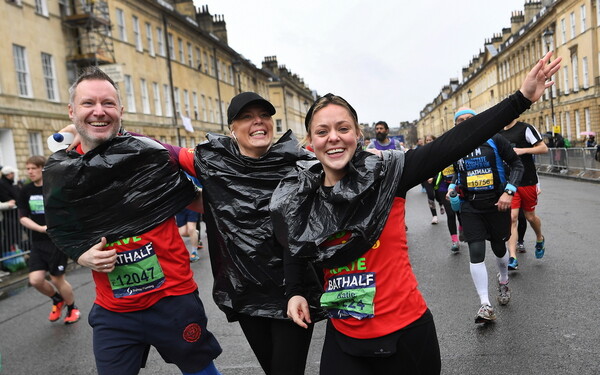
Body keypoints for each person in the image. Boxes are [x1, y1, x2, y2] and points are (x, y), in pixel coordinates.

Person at [272, 51, 560, 373]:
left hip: (408, 335)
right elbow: (294, 242)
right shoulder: (302, 196)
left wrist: (520, 100)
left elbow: (457, 141)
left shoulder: (390, 175)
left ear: (358, 136)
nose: (334, 137)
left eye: (343, 128)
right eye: (322, 131)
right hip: (344, 339)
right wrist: (296, 291)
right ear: (310, 142)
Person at [43, 67, 222, 375]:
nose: (99, 111)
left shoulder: (148, 153)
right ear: (72, 111)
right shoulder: (65, 172)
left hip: (172, 299)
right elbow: (61, 227)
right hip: (114, 311)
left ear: (120, 110)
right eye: (88, 103)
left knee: (202, 372)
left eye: (108, 103)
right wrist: (81, 254)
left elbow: (200, 201)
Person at [166, 92, 325, 375]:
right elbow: (165, 151)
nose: (258, 122)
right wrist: (113, 129)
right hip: (246, 292)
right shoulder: (214, 163)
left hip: (293, 288)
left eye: (264, 116)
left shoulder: (301, 163)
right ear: (232, 128)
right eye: (247, 117)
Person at [450, 108, 524, 323]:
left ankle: (503, 280)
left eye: (469, 119)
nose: (465, 122)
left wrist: (509, 192)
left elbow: (517, 165)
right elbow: (458, 170)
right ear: (456, 125)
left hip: (497, 203)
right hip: (470, 205)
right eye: (460, 120)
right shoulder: (455, 145)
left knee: (499, 249)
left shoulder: (495, 139)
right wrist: (453, 185)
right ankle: (485, 304)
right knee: (475, 250)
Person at [18, 156, 81, 323]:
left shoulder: (54, 187)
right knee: (35, 280)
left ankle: (72, 308)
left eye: (33, 168)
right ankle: (57, 299)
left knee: (56, 278)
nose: (30, 172)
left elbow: (68, 211)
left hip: (56, 240)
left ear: (42, 169)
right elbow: (22, 217)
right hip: (38, 241)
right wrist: (40, 228)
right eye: (28, 168)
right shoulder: (26, 191)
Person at [499, 119, 548, 270]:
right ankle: (512, 257)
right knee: (512, 218)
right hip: (510, 182)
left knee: (529, 216)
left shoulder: (525, 128)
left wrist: (523, 150)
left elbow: (543, 148)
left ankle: (539, 238)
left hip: (527, 180)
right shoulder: (498, 133)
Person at [422, 134, 445, 224]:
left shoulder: (438, 151)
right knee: (430, 195)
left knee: (438, 195)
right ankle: (434, 216)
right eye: (427, 140)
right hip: (426, 177)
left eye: (430, 140)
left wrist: (434, 177)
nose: (428, 142)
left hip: (437, 176)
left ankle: (440, 203)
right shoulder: (423, 151)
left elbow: (441, 166)